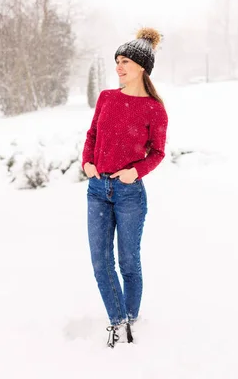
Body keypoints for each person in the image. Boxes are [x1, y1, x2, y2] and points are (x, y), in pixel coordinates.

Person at [82, 27, 169, 348]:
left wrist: (136, 171)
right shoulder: (106, 98)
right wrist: (87, 163)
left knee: (128, 262)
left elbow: (158, 152)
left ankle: (131, 323)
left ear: (142, 67)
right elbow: (92, 135)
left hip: (130, 193)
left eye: (125, 61)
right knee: (100, 262)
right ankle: (118, 324)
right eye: (117, 60)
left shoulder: (154, 109)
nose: (118, 66)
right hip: (97, 190)